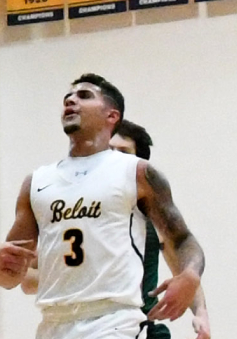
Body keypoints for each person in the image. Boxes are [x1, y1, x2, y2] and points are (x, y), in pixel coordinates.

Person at [0, 75, 206, 339]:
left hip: (114, 322)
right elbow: (12, 276)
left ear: (112, 115)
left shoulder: (136, 172)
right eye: (68, 96)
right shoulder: (36, 182)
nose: (71, 100)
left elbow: (181, 240)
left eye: (85, 95)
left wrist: (191, 274)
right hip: (54, 325)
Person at [22, 119, 211, 339]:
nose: (114, 158)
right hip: (77, 326)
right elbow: (27, 279)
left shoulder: (149, 215)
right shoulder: (71, 212)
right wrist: (79, 280)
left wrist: (201, 312)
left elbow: (182, 268)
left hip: (138, 326)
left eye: (123, 152)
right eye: (109, 150)